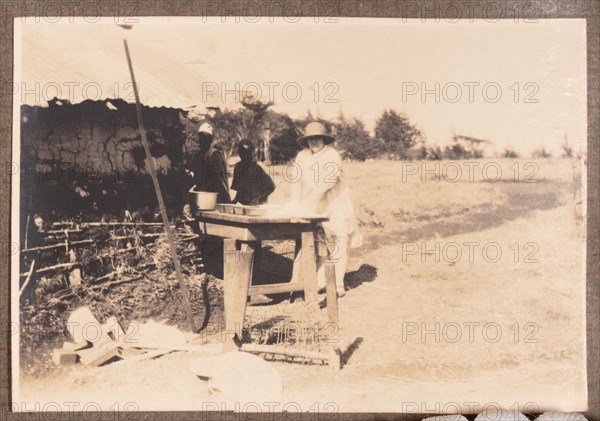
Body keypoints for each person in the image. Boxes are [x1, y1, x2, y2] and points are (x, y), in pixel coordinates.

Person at [291, 122, 362, 297]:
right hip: (314, 205)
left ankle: (338, 283)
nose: (313, 142)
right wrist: (296, 204)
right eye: (310, 139)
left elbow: (328, 182)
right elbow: (296, 181)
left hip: (335, 202)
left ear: (324, 139)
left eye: (317, 138)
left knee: (339, 240)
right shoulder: (302, 156)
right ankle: (321, 281)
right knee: (320, 243)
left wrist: (311, 201)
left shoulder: (332, 155)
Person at [189, 122, 231, 204]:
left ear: (210, 140)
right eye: (201, 138)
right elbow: (194, 174)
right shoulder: (197, 156)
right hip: (201, 195)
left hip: (216, 196)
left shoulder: (215, 154)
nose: (202, 141)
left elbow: (217, 179)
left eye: (205, 138)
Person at [231, 139, 275, 206]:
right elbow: (240, 189)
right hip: (243, 204)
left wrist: (258, 198)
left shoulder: (257, 167)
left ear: (253, 152)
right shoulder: (238, 167)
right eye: (242, 152)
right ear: (239, 152)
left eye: (248, 152)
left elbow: (271, 187)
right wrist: (235, 200)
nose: (245, 155)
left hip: (258, 205)